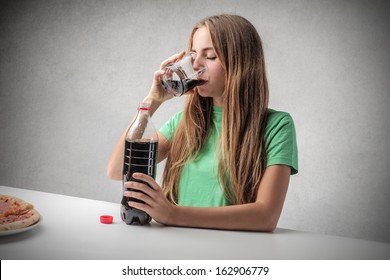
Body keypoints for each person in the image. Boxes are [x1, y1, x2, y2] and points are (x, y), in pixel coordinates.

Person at [107, 14, 298, 231]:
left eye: (210, 56)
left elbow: (265, 217)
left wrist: (173, 214)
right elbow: (116, 170)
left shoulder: (276, 126)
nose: (196, 64)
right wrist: (152, 101)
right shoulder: (184, 123)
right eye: (193, 54)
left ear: (240, 65)